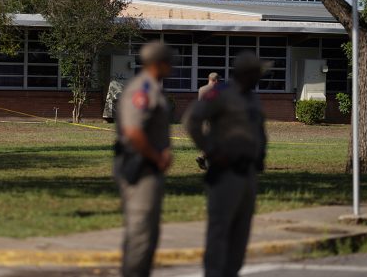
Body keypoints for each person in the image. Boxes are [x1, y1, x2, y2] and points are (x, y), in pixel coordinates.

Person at [183, 51, 269, 277]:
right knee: (220, 229)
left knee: (241, 231)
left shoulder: (253, 97)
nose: (259, 77)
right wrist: (210, 150)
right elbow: (192, 120)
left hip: (248, 172)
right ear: (245, 73)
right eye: (256, 73)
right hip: (226, 171)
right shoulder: (221, 93)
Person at [114, 41, 174, 277]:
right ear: (159, 63)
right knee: (140, 233)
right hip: (141, 169)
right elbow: (133, 132)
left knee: (148, 233)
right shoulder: (142, 89)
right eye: (169, 61)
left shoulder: (152, 87)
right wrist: (157, 156)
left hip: (149, 169)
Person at [196, 72, 220, 170]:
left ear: (208, 78)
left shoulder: (201, 89)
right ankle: (203, 158)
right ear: (217, 80)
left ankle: (204, 159)